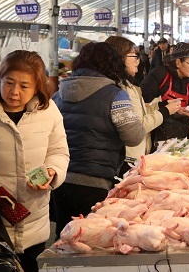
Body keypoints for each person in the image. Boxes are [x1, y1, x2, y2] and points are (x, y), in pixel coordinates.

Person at [52, 42, 144, 237]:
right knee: (93, 241)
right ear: (112, 65)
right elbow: (134, 136)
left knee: (64, 241)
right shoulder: (115, 96)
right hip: (95, 181)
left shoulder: (58, 95)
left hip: (60, 180)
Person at [0, 50, 69, 272]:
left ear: (37, 87)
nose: (14, 92)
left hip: (33, 219)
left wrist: (53, 171)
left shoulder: (48, 111)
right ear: (0, 78)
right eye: (9, 82)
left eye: (24, 86)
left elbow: (59, 151)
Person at [105, 36, 182, 174]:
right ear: (120, 58)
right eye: (134, 57)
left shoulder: (126, 85)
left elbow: (139, 113)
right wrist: (165, 111)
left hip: (132, 154)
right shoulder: (123, 90)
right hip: (129, 157)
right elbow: (139, 126)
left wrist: (162, 105)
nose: (138, 61)